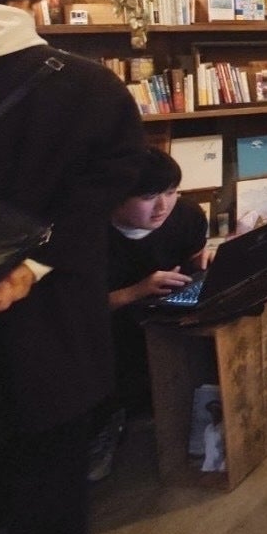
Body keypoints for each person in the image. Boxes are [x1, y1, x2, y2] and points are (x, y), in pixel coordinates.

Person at [0, 0, 145, 534]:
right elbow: (101, 194)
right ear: (34, 2)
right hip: (50, 328)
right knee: (48, 493)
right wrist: (29, 267)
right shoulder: (90, 87)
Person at [87, 148, 210, 482]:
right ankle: (106, 426)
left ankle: (202, 411)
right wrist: (138, 290)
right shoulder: (89, 233)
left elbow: (194, 255)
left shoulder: (187, 214)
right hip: (112, 323)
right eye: (148, 197)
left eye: (170, 192)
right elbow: (78, 310)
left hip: (173, 309)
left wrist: (205, 260)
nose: (162, 207)